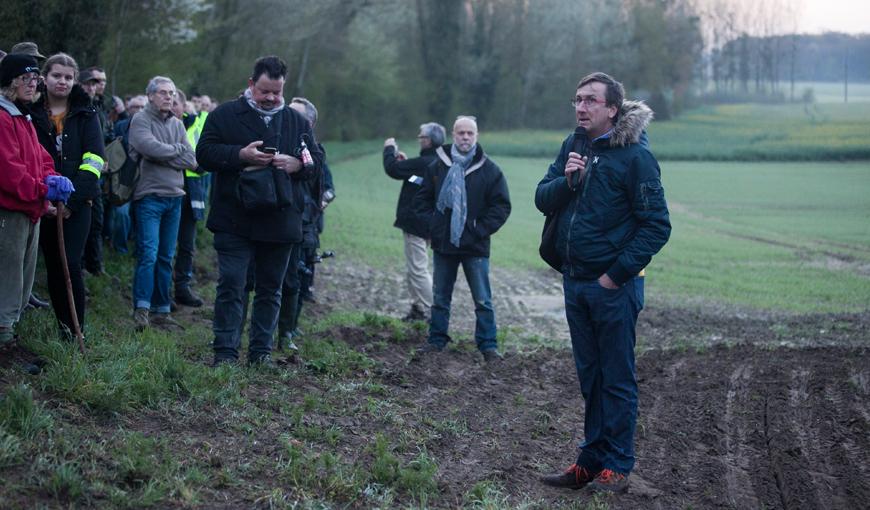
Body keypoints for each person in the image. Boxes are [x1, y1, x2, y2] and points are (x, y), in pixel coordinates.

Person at [536, 72, 671, 493]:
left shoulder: (635, 157)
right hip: (574, 281)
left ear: (613, 109)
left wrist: (615, 276)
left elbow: (656, 226)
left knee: (616, 378)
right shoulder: (573, 145)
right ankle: (589, 462)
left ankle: (617, 465)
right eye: (577, 99)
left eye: (591, 100)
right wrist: (568, 181)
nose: (581, 107)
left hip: (614, 287)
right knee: (590, 378)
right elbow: (542, 197)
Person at [196, 56, 322, 367]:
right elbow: (204, 155)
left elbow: (315, 162)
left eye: (276, 93)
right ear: (252, 84)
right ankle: (225, 352)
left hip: (281, 221)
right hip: (234, 218)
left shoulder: (297, 122)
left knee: (270, 289)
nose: (270, 98)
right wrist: (240, 155)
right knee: (231, 284)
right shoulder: (225, 115)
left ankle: (260, 353)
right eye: (264, 91)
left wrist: (297, 165)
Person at [415, 116, 511, 362]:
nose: (465, 137)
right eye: (461, 133)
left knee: (483, 300)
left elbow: (501, 207)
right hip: (444, 245)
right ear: (453, 136)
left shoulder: (490, 170)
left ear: (476, 136)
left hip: (475, 246)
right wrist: (436, 227)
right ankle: (436, 341)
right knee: (440, 298)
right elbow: (421, 201)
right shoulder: (437, 166)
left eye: (470, 133)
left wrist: (477, 228)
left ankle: (488, 347)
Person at [29, 53, 105, 339]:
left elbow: (95, 160)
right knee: (52, 267)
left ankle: (74, 332)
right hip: (41, 202)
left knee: (70, 263)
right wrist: (46, 199)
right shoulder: (30, 113)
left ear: (75, 82)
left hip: (78, 204)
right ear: (45, 78)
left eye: (68, 77)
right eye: (57, 75)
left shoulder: (87, 114)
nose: (62, 81)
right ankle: (60, 326)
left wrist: (71, 202)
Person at [0, 54, 71, 346]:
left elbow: (40, 157)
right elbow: (8, 170)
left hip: (30, 209)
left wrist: (51, 177)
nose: (32, 85)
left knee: (24, 274)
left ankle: (10, 327)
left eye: (34, 80)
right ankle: (3, 331)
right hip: (10, 210)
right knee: (8, 273)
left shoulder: (23, 115)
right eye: (25, 80)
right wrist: (42, 189)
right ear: (10, 83)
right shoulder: (3, 117)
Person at [128, 76, 197, 330]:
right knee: (148, 254)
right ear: (150, 96)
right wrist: (175, 151)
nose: (170, 97)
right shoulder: (140, 120)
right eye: (164, 93)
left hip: (175, 198)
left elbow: (191, 159)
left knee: (167, 256)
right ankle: (142, 309)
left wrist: (169, 153)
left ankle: (162, 310)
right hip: (149, 197)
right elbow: (149, 148)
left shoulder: (178, 124)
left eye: (172, 93)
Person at [274, 96, 333, 351]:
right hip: (272, 218)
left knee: (293, 277)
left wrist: (323, 200)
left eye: (295, 115)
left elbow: (327, 188)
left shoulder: (316, 153)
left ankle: (287, 332)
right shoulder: (273, 142)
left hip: (303, 222)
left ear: (309, 122)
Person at [383, 122, 445, 321]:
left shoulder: (424, 162)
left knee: (418, 269)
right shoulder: (436, 162)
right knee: (415, 268)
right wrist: (408, 167)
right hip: (427, 224)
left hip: (416, 223)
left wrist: (389, 148)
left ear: (428, 141)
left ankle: (433, 312)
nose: (419, 139)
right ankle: (418, 310)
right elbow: (417, 182)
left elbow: (391, 169)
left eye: (421, 137)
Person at [171, 88, 208, 307]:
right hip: (167, 187)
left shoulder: (197, 123)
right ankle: (163, 291)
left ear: (184, 106)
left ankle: (182, 288)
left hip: (192, 188)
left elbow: (204, 157)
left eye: (177, 103)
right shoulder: (158, 125)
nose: (173, 105)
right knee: (165, 247)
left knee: (187, 244)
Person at [79, 66, 111, 275]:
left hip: (98, 170)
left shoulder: (99, 106)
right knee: (82, 222)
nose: (96, 86)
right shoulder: (77, 108)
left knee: (97, 221)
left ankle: (95, 266)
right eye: (91, 82)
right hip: (82, 172)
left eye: (98, 82)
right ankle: (79, 267)